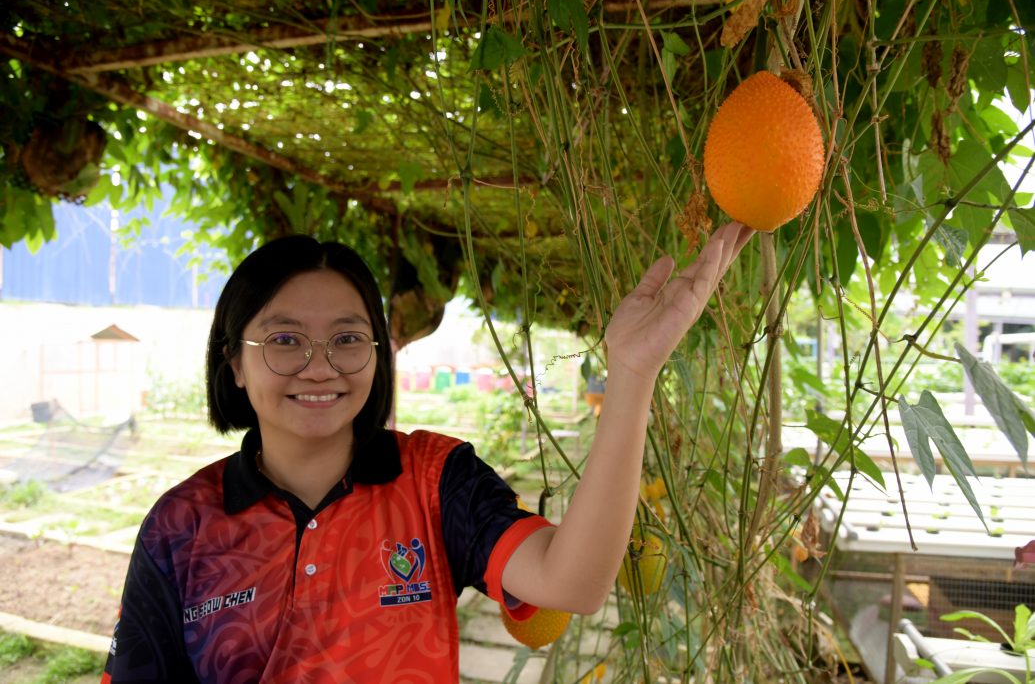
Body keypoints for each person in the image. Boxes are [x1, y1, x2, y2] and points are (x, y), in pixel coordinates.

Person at [101, 222, 753, 683]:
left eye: (348, 339)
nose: (320, 367)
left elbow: (571, 582)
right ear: (234, 364)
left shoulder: (435, 479)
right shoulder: (182, 524)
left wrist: (631, 373)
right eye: (284, 340)